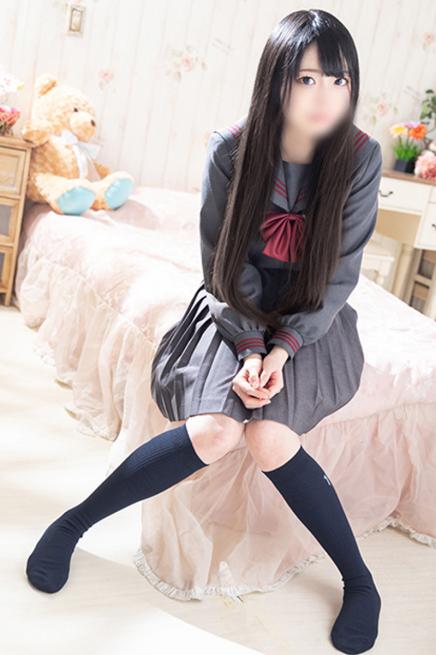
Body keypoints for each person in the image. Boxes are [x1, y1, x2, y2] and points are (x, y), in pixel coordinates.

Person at [26, 8, 382, 655]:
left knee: (269, 437)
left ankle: (360, 581)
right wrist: (249, 346)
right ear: (276, 81)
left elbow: (340, 276)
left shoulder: (361, 158)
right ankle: (73, 523)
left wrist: (283, 349)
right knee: (216, 430)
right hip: (235, 305)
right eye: (307, 78)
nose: (326, 95)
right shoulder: (231, 149)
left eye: (340, 80)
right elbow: (222, 265)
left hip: (312, 318)